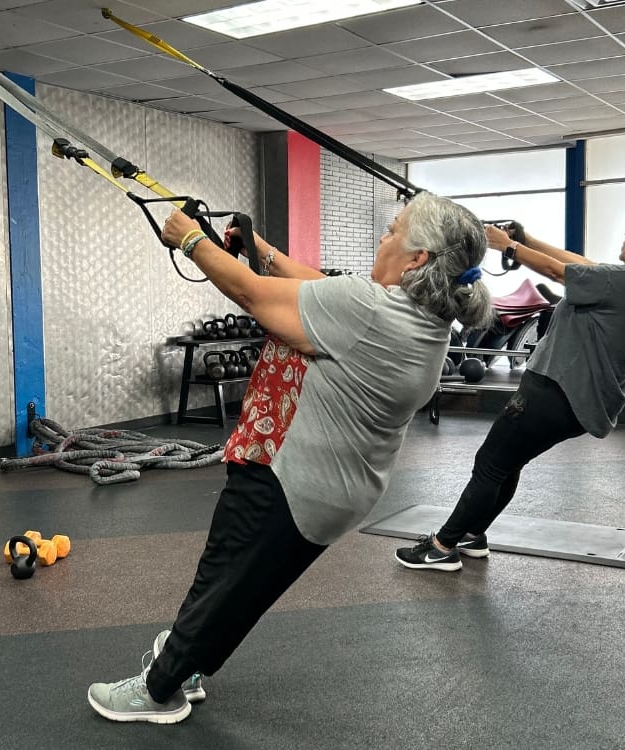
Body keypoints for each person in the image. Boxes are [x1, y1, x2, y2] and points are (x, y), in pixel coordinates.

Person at [86, 190, 494, 724]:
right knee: (244, 585)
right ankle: (187, 660)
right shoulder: (417, 315)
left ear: (418, 258)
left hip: (292, 477)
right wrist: (260, 246)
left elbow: (254, 296)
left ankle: (159, 691)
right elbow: (321, 290)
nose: (384, 236)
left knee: (225, 580)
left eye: (394, 229)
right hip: (338, 487)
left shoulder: (370, 310)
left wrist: (190, 240)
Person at [395, 208, 625, 572]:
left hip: (555, 392)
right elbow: (580, 263)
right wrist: (527, 240)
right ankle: (473, 534)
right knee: (507, 463)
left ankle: (442, 546)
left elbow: (560, 272)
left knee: (490, 465)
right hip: (571, 398)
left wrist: (508, 247)